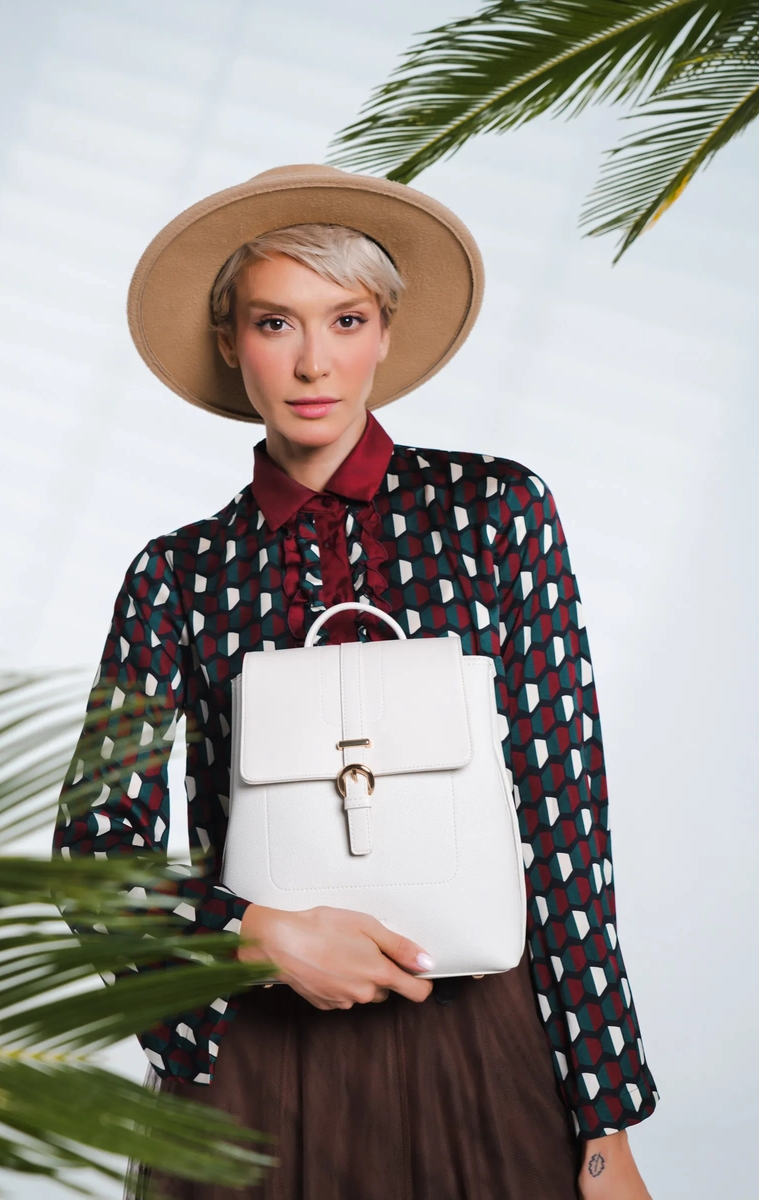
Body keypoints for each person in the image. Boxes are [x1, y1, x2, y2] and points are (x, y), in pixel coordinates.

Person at [55, 166, 657, 1199]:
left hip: (485, 1040)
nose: (313, 361)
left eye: (346, 319)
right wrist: (259, 936)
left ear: (384, 331)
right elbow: (95, 850)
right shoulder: (178, 573)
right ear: (230, 342)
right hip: (253, 1057)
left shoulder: (497, 514)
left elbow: (565, 821)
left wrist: (603, 1124)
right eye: (274, 323)